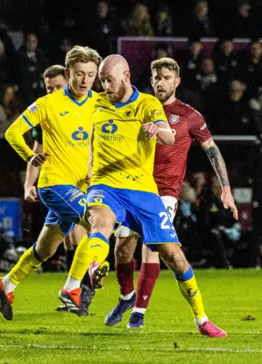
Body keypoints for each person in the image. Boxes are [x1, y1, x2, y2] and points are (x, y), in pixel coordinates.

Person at [71, 54, 225, 337]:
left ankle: (201, 319)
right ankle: (98, 274)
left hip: (150, 191)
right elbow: (72, 115)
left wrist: (157, 130)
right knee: (109, 234)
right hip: (107, 186)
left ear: (126, 76)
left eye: (109, 80)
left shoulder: (150, 104)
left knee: (171, 255)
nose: (105, 86)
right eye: (102, 80)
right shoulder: (97, 103)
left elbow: (170, 137)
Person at [105, 57, 238, 329]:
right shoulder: (139, 106)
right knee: (121, 250)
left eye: (166, 77)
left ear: (176, 81)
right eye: (155, 77)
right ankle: (126, 297)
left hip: (165, 192)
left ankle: (138, 314)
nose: (160, 82)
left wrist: (225, 188)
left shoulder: (189, 115)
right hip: (135, 187)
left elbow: (212, 150)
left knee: (152, 247)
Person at [0, 47, 104, 320]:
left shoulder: (99, 103)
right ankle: (71, 289)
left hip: (79, 186)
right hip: (54, 184)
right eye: (79, 74)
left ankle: (6, 284)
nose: (85, 80)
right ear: (68, 74)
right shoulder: (46, 104)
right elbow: (12, 132)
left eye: (90, 75)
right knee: (98, 223)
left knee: (44, 250)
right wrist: (31, 157)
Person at [27, 65, 94, 313]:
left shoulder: (88, 105)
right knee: (73, 238)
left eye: (57, 86)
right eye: (49, 88)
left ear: (68, 81)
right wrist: (28, 184)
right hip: (59, 183)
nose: (53, 91)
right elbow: (37, 154)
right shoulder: (46, 114)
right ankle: (77, 294)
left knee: (83, 233)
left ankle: (81, 292)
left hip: (84, 181)